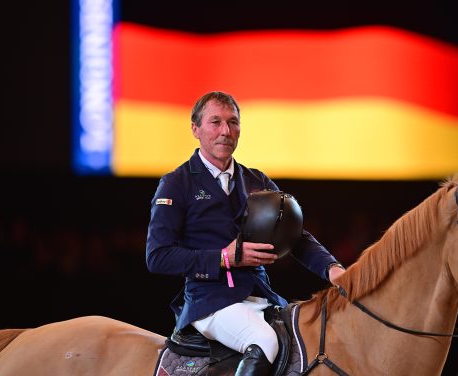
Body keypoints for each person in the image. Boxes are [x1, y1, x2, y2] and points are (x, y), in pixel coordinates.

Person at [146, 91, 346, 375]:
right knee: (263, 340)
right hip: (210, 302)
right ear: (195, 129)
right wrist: (223, 258)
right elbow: (158, 257)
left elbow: (296, 236)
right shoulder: (175, 184)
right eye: (215, 122)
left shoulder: (256, 180)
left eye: (233, 122)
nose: (225, 131)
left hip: (262, 297)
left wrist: (333, 269)